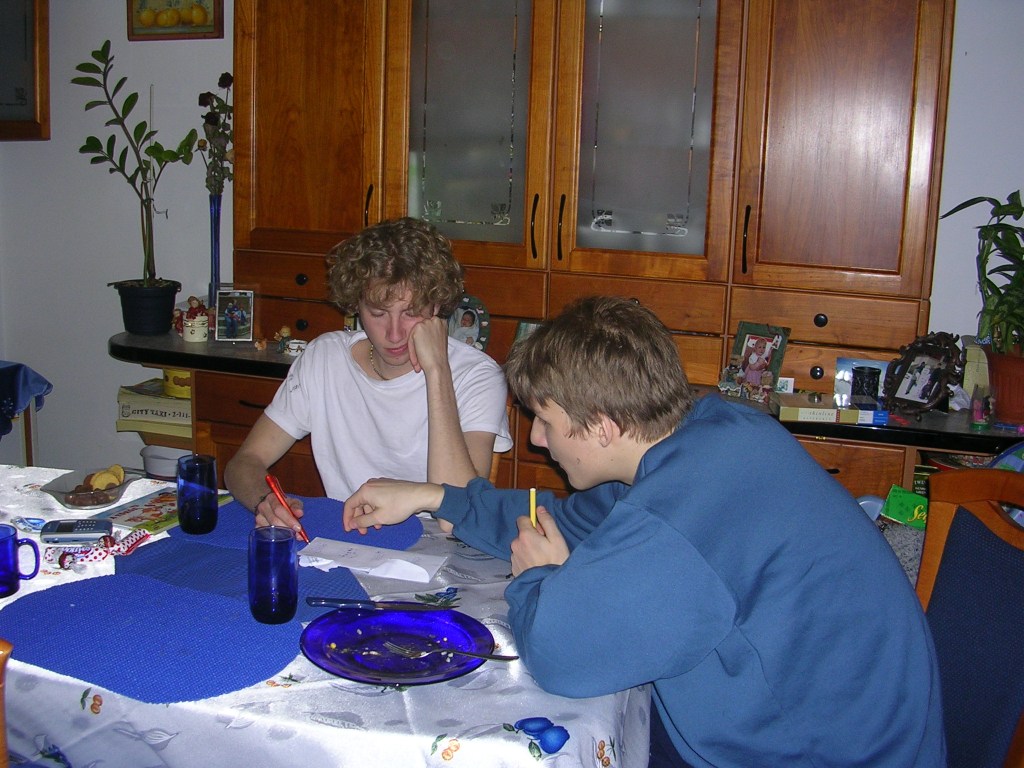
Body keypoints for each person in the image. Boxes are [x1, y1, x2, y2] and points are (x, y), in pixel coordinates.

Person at [343, 296, 945, 767]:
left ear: (603, 427)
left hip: (810, 754)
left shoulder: (677, 516)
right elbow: (559, 521)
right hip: (804, 725)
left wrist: (539, 580)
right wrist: (435, 496)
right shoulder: (704, 433)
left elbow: (561, 656)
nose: (536, 439)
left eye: (546, 420)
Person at [225, 217, 512, 535]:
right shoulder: (324, 359)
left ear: (437, 306)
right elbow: (243, 463)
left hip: (439, 548)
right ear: (356, 305)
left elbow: (459, 516)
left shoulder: (477, 376)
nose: (394, 333)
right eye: (377, 313)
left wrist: (438, 371)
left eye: (411, 313)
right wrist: (264, 500)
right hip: (349, 541)